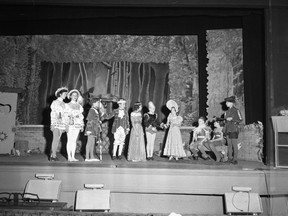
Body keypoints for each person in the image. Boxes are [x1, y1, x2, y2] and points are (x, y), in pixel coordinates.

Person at [49, 87, 68, 161]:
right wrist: (53, 124)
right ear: (60, 94)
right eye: (64, 94)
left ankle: (53, 155)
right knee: (55, 139)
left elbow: (65, 115)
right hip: (56, 123)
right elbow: (53, 114)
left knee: (57, 140)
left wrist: (66, 125)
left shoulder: (64, 104)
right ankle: (53, 155)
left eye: (66, 94)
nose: (65, 95)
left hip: (61, 124)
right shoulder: (55, 102)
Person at [223, 95, 243, 165]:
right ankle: (229, 158)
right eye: (226, 102)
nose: (226, 104)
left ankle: (235, 159)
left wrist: (232, 119)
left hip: (234, 129)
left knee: (234, 145)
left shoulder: (236, 110)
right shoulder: (226, 112)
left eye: (227, 102)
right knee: (229, 145)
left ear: (231, 103)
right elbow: (226, 122)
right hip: (228, 130)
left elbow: (240, 119)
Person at [66, 89, 84, 162]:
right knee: (69, 140)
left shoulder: (79, 106)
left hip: (77, 124)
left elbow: (81, 116)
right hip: (70, 124)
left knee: (74, 141)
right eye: (73, 95)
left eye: (76, 96)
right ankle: (69, 156)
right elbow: (65, 116)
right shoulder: (67, 105)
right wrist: (66, 124)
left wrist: (82, 125)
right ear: (70, 96)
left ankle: (73, 156)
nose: (75, 97)